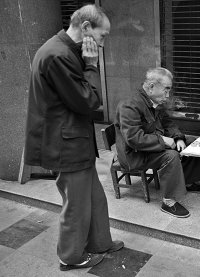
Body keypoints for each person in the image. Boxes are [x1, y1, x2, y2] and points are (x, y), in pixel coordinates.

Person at [24, 4, 123, 271]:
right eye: (102, 36)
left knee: (94, 200)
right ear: (87, 28)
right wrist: (91, 65)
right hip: (65, 145)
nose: (102, 45)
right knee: (77, 206)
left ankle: (100, 242)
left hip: (73, 141)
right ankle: (70, 256)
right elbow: (90, 102)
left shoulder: (64, 50)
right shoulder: (58, 55)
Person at [114, 67, 200, 218]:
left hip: (149, 148)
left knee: (189, 142)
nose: (168, 95)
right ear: (151, 87)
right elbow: (133, 138)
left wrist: (177, 138)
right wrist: (164, 140)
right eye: (166, 90)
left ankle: (188, 181)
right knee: (170, 156)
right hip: (135, 155)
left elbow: (168, 123)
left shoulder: (154, 100)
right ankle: (168, 201)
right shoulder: (130, 104)